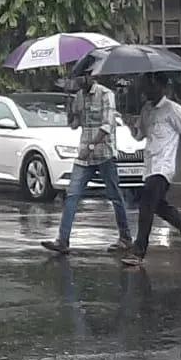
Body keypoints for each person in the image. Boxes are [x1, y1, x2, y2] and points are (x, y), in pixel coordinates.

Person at [123, 73, 181, 266]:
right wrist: (130, 125)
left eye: (149, 85)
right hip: (149, 166)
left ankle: (138, 252)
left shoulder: (173, 109)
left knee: (146, 206)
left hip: (163, 167)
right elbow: (140, 136)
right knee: (160, 207)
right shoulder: (147, 110)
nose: (145, 90)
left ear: (160, 87)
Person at [41, 72, 132, 255]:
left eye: (82, 78)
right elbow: (75, 125)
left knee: (114, 195)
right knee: (72, 195)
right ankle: (63, 240)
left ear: (91, 77)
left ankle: (125, 237)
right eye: (77, 79)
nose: (78, 82)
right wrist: (70, 111)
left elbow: (107, 126)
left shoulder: (106, 94)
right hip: (84, 157)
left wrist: (90, 146)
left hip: (104, 153)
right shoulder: (79, 97)